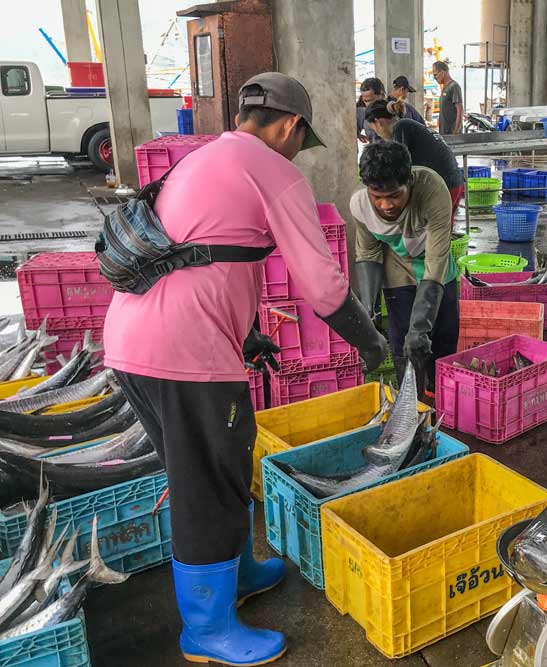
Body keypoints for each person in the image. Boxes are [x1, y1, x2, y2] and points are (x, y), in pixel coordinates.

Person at [102, 73, 387, 666]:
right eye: (299, 141)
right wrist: (372, 344)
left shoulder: (206, 160)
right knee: (206, 483)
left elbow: (204, 255)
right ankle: (206, 630)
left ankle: (235, 575)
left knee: (222, 462)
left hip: (134, 343)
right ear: (290, 127)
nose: (295, 152)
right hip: (183, 355)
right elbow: (322, 287)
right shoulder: (276, 170)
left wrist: (248, 331)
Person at [351, 141, 460, 397]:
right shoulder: (360, 205)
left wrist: (421, 326)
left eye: (394, 195)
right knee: (403, 342)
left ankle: (442, 397)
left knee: (443, 335)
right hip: (397, 265)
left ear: (409, 181)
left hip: (436, 264)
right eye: (377, 197)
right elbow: (368, 253)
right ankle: (412, 402)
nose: (386, 205)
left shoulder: (432, 189)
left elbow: (436, 261)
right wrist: (371, 314)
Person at [365, 99, 465, 227]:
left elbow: (399, 169)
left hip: (445, 186)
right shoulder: (408, 126)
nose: (377, 133)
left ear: (377, 122)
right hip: (454, 183)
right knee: (441, 233)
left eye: (374, 129)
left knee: (430, 232)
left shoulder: (401, 128)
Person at [432, 61, 464, 135]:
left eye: (435, 75)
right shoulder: (445, 88)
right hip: (444, 132)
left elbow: (460, 110)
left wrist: (455, 132)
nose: (435, 78)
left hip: (451, 133)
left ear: (443, 72)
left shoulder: (454, 87)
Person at [357, 77, 386, 143]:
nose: (368, 105)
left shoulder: (396, 111)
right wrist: (357, 135)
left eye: (371, 101)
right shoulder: (362, 113)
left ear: (382, 95)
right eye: (365, 101)